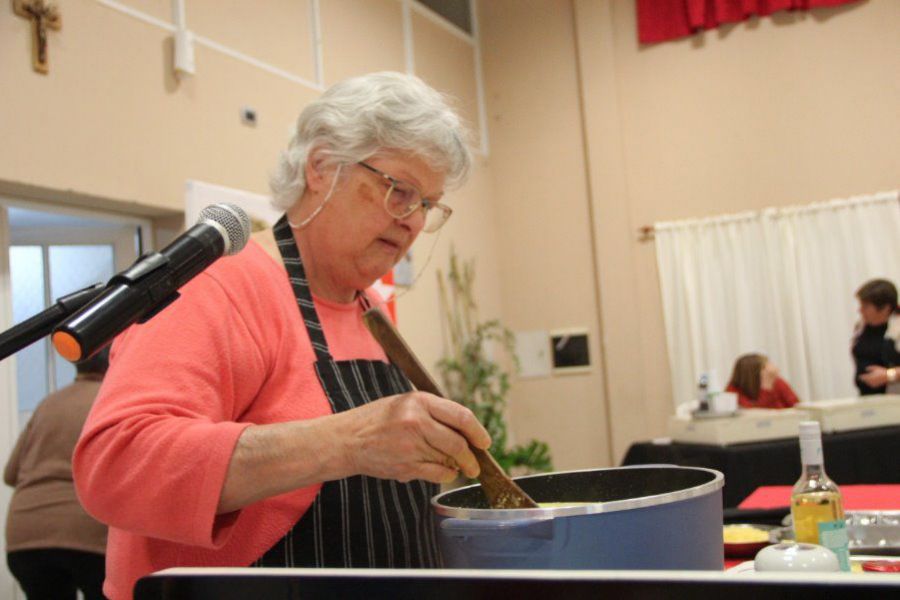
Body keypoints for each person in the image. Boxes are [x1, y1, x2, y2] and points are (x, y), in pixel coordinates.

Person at [72, 72, 491, 600]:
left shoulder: (370, 309)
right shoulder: (217, 286)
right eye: (399, 191)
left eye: (427, 205)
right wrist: (349, 441)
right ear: (321, 168)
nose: (412, 221)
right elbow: (115, 466)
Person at [5, 348, 109, 600]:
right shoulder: (109, 402)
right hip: (87, 534)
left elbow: (10, 474)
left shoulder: (48, 403)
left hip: (26, 535)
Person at [852, 278, 900, 395]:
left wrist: (889, 375)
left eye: (866, 306)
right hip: (867, 398)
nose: (860, 310)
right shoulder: (861, 326)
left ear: (885, 308)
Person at [726, 353, 799, 409]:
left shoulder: (778, 382)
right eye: (768, 363)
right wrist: (766, 388)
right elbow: (748, 412)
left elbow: (797, 406)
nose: (774, 365)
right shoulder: (733, 389)